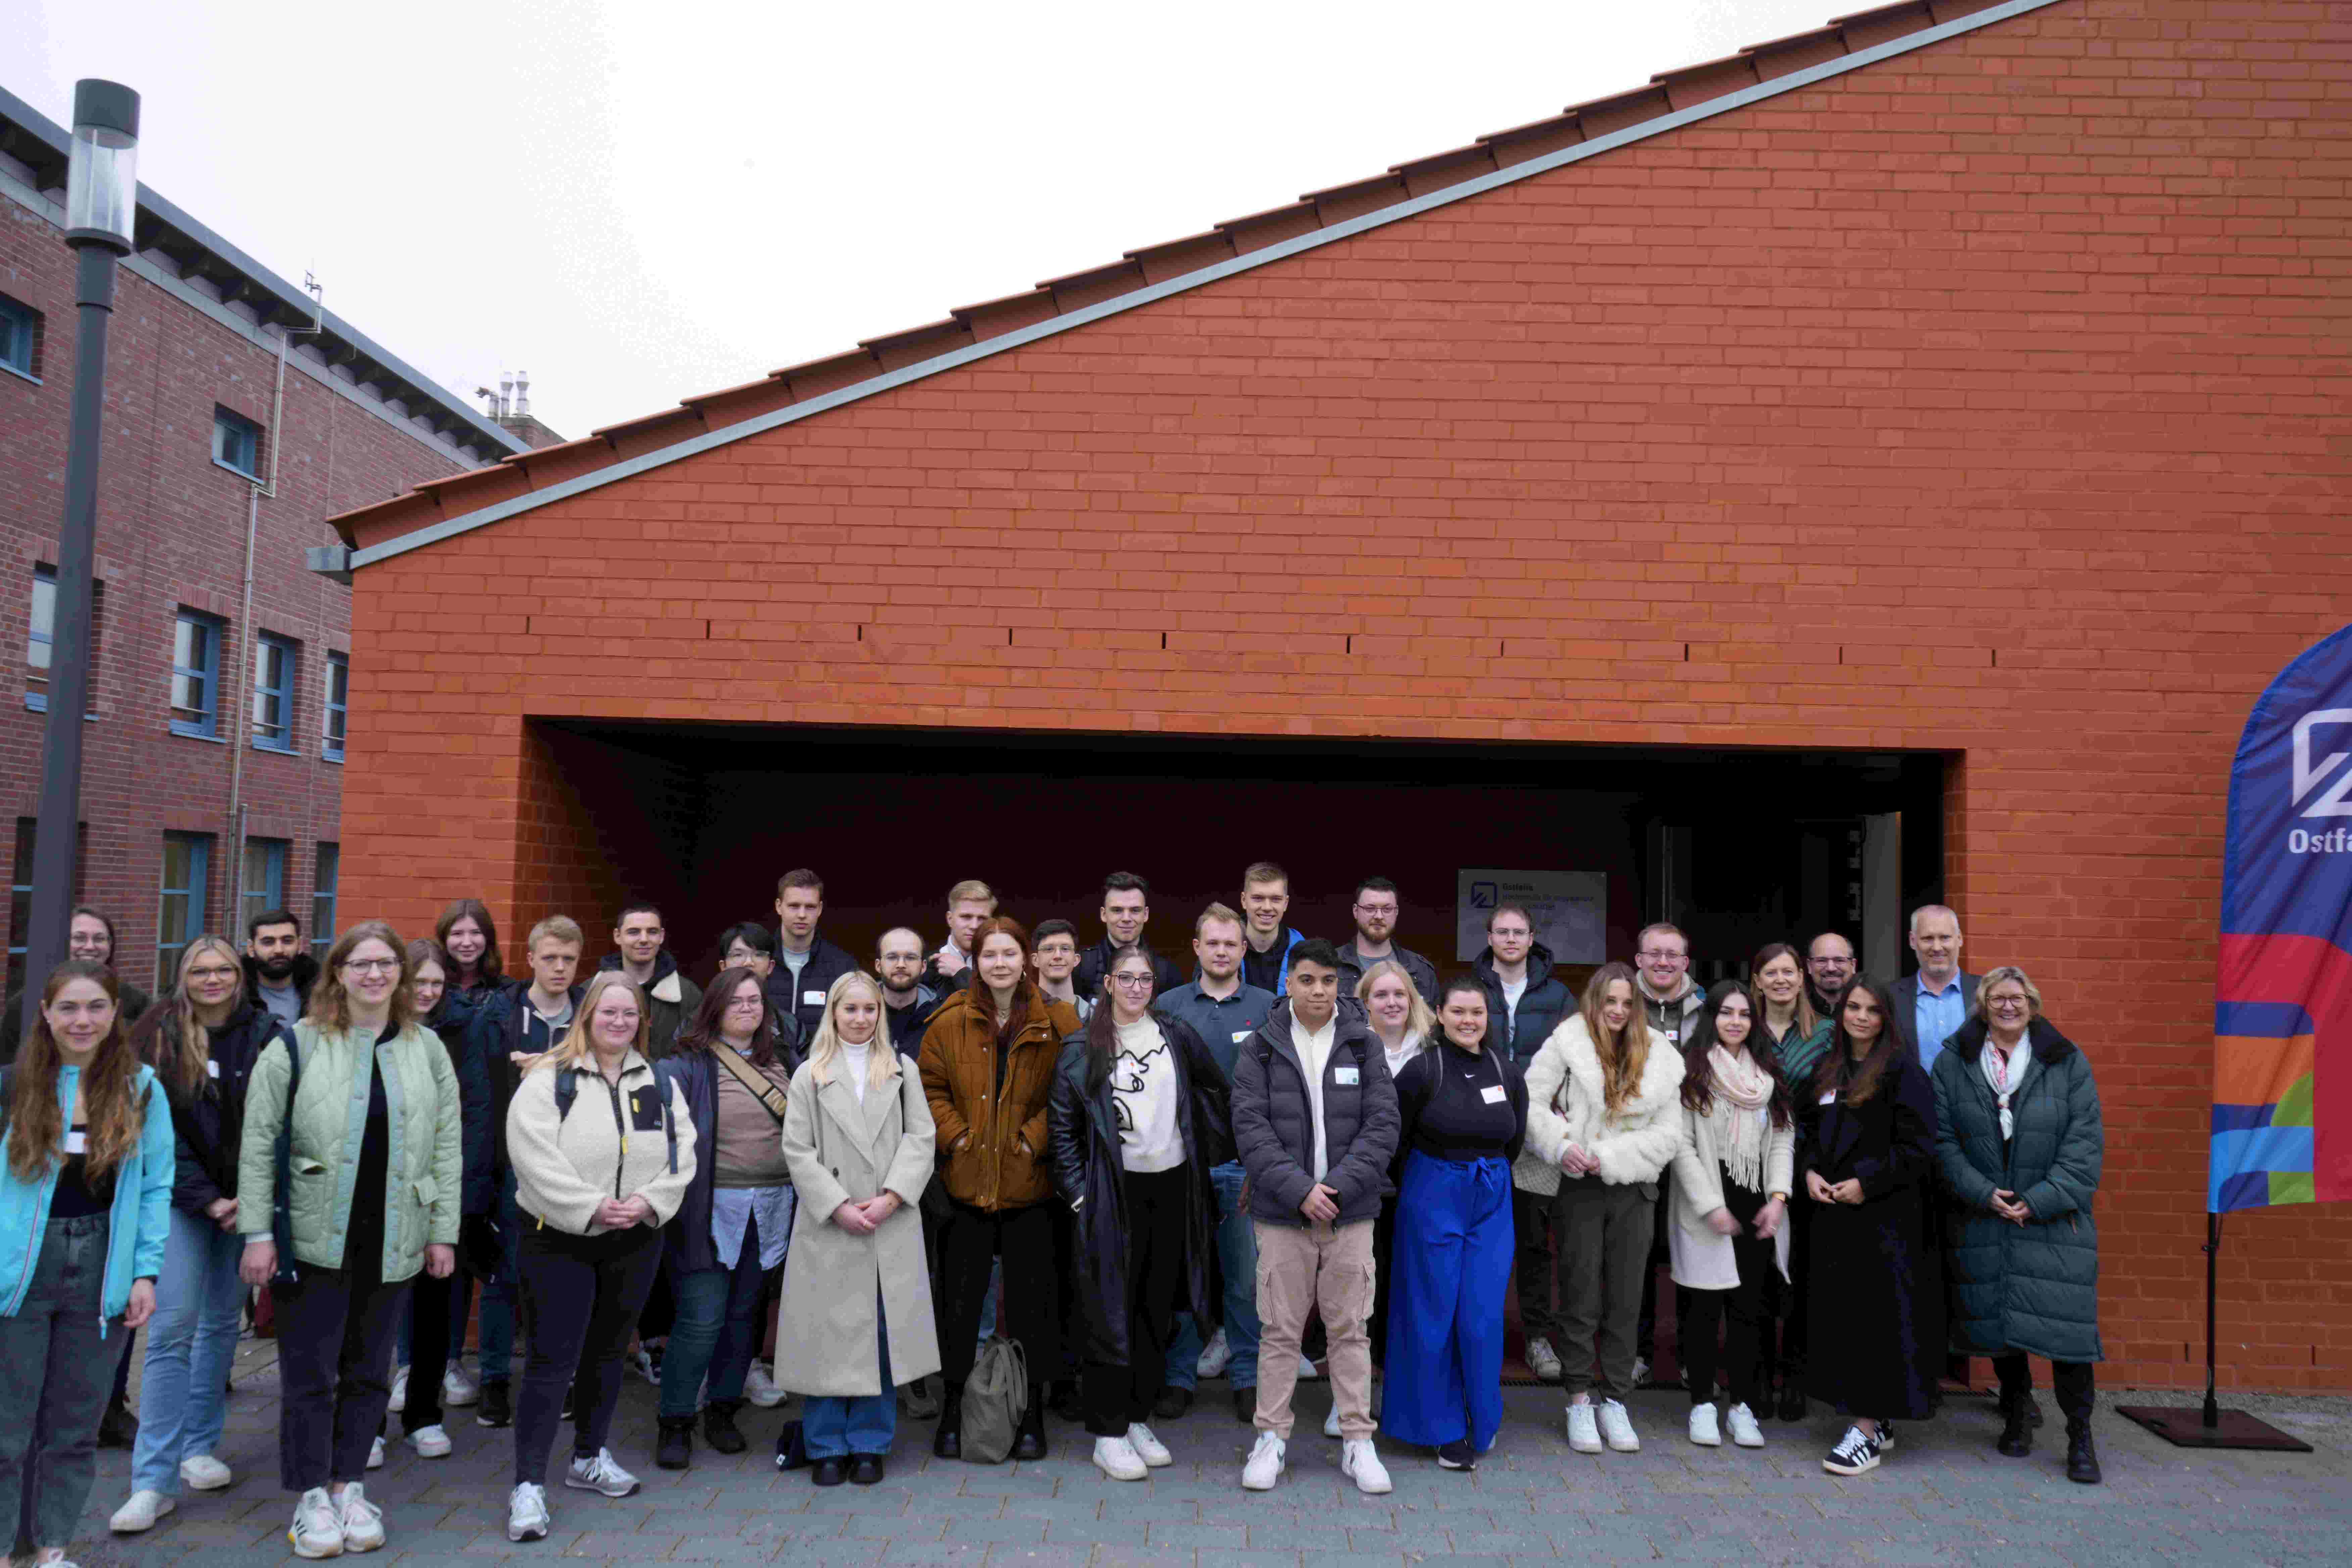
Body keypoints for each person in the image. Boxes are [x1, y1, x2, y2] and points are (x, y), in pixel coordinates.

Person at [236, 922, 462, 1558]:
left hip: (396, 1235)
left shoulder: (427, 1049)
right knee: (311, 1374)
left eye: (386, 962)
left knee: (369, 1371)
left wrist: (442, 1230)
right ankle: (309, 1495)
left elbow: (448, 1146)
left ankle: (349, 1483)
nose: (375, 974)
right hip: (313, 1239)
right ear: (337, 972)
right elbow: (258, 1146)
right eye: (360, 963)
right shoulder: (296, 1046)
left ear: (401, 973)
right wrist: (258, 1233)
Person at [501, 972, 696, 1542]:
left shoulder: (659, 1079)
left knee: (610, 1351)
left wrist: (647, 1202)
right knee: (550, 1360)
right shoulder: (547, 1080)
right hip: (559, 1236)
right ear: (586, 1016)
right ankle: (528, 1485)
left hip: (635, 1236)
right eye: (608, 1012)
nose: (618, 1022)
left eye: (629, 1014)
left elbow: (682, 1152)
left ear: (642, 1022)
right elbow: (532, 1157)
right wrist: (590, 1206)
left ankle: (588, 1456)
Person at [113, 936, 289, 1532]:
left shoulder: (266, 1033)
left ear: (239, 976)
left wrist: (250, 1199)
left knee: (220, 1323)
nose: (212, 979)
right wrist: (210, 1200)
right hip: (181, 1203)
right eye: (200, 970)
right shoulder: (157, 1036)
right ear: (182, 976)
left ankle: (199, 1445)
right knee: (170, 1331)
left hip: (247, 1203)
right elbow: (152, 1135)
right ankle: (152, 1481)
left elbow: (275, 1122)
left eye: (223, 970)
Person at [1, 960, 170, 1568]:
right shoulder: (9, 1086)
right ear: (45, 1014)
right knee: (7, 1429)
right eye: (68, 1007)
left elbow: (155, 1186)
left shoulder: (142, 1088)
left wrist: (146, 1272)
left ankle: (50, 1549)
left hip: (101, 1268)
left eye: (96, 1006)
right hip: (18, 1270)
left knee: (72, 1430)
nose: (83, 1019)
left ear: (113, 1016)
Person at [1048, 944, 1232, 1480]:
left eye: (1145, 979)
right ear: (1107, 983)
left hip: (1172, 1187)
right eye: (1125, 978)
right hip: (1113, 1192)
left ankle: (1135, 1417)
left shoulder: (1174, 1034)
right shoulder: (1083, 1046)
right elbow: (1062, 1131)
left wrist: (1204, 1160)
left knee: (1155, 1309)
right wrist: (1083, 1196)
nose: (1135, 987)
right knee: (1112, 1312)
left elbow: (1215, 1092)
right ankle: (1108, 1432)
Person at [1229, 938, 1397, 1494]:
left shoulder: (1363, 1045)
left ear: (1338, 985)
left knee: (1350, 1331)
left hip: (1350, 1215)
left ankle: (1357, 1440)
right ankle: (1270, 1438)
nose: (1319, 990)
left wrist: (1338, 1188)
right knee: (1278, 1333)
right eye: (1307, 980)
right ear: (1288, 984)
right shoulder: (1259, 1048)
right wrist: (1301, 1190)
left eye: (1328, 980)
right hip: (1283, 1216)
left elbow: (1382, 1127)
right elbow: (1250, 1131)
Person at [1931, 967, 2104, 1484]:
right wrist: (1983, 1193)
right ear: (1982, 1006)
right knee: (2002, 1325)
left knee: (2069, 1338)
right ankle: (2017, 1412)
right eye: (1998, 998)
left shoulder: (2066, 1061)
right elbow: (1942, 1142)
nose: (2009, 1006)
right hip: (1987, 1217)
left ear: (2033, 1004)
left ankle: (2081, 1436)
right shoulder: (1954, 1062)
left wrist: (2039, 1200)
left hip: (2053, 1222)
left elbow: (2085, 1143)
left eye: (2019, 997)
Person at [918, 917, 1079, 1461]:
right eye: (990, 954)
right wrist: (958, 1135)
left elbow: (1069, 1092)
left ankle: (1031, 1413)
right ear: (975, 961)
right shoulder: (947, 1023)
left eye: (1010, 953)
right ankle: (953, 1410)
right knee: (960, 1308)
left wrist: (1033, 1141)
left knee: (1033, 1309)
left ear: (1027, 959)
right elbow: (929, 1087)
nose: (1001, 963)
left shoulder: (1058, 1022)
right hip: (965, 1188)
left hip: (1029, 1190)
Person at [774, 971, 940, 1485]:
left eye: (870, 1010)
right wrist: (838, 1204)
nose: (861, 1018)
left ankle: (871, 1442)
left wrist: (892, 1197)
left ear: (880, 1014)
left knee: (881, 1335)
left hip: (888, 1220)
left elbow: (922, 1138)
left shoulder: (900, 1069)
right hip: (832, 1224)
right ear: (834, 1014)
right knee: (829, 1336)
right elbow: (796, 1150)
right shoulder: (810, 1074)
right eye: (851, 1010)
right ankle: (825, 1443)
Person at [1519, 961, 1683, 1457]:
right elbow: (1530, 1102)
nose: (1616, 1010)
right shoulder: (1566, 1043)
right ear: (1594, 1002)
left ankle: (1615, 1399)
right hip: (1577, 1187)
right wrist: (1560, 1144)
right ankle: (1578, 1399)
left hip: (1633, 1188)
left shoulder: (1660, 1055)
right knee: (1580, 1293)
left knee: (1627, 1299)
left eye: (1625, 1003)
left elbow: (1670, 1134)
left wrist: (1609, 1156)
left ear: (1636, 1008)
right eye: (1608, 1001)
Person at [652, 967, 796, 1469]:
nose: (748, 1009)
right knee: (702, 1317)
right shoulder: (687, 1064)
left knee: (743, 1316)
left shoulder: (782, 1060)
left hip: (773, 1208)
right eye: (737, 1002)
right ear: (715, 1007)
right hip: (708, 1210)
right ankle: (675, 1420)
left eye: (756, 1001)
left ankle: (722, 1410)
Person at [1383, 976, 1525, 1474]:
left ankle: (1480, 1418)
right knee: (1433, 1313)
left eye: (1478, 1013)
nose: (1469, 1021)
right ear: (1440, 1014)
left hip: (1491, 1197)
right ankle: (1441, 1429)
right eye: (1459, 1012)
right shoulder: (1423, 1070)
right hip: (1432, 1194)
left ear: (1490, 1018)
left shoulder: (1506, 1072)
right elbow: (1394, 1144)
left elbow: (1515, 1140)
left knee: (1481, 1316)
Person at [1802, 978, 1943, 1477]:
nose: (1861, 1017)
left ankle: (1864, 1431)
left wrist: (1867, 1182)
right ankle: (1876, 1419)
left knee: (1880, 1324)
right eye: (1853, 1008)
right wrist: (1811, 1173)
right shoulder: (1829, 1067)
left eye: (1872, 1010)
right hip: (1834, 1218)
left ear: (1888, 1018)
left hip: (1887, 1220)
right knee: (1850, 1321)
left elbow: (1920, 1147)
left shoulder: (1904, 1072)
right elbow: (1806, 1131)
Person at [467, 916, 587, 1431]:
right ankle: (494, 1381)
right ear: (532, 958)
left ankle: (555, 1380)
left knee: (560, 1280)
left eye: (569, 960)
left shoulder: (592, 1014)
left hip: (576, 1165)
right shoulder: (499, 1016)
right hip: (510, 1165)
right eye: (551, 958)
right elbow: (477, 1096)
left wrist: (560, 1065)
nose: (560, 968)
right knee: (503, 1276)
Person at [1667, 982, 1793, 1451]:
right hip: (1706, 1206)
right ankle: (1702, 1404)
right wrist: (1711, 1206)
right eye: (1726, 1013)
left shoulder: (1769, 1075)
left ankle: (1741, 1407)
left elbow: (1782, 1138)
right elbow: (1679, 1144)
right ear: (1711, 1019)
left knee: (1749, 1313)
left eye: (1744, 1014)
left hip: (1757, 1206)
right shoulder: (1691, 1071)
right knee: (1702, 1311)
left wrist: (1778, 1199)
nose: (1736, 1022)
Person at [384, 940, 492, 1461]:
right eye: (418, 982)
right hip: (375, 1194)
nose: (426, 992)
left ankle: (423, 1416)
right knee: (371, 1317)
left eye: (436, 984)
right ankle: (366, 1425)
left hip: (431, 1191)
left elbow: (460, 1124)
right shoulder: (372, 1034)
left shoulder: (446, 1041)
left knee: (433, 1306)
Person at [1479, 903, 1574, 1381]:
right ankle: (1480, 1337)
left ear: (1532, 937)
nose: (1511, 939)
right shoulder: (1472, 990)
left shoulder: (1558, 996)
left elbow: (1576, 1058)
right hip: (1480, 1133)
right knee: (1479, 1242)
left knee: (1535, 1242)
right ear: (1490, 936)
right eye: (1503, 932)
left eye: (1520, 932)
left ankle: (1538, 1338)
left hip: (1536, 1138)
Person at [1750, 941, 1831, 1423]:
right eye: (1771, 973)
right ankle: (1759, 1375)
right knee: (1758, 1274)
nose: (1781, 980)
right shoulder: (1742, 1028)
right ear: (1757, 980)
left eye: (1789, 972)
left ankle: (1796, 1377)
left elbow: (1830, 1107)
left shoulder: (1824, 1035)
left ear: (1802, 978)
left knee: (1801, 1274)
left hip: (1806, 1166)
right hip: (1749, 1165)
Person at [1355, 960, 1431, 1399]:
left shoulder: (1433, 1048)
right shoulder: (1352, 1048)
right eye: (1381, 995)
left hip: (1421, 1181)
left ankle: (1404, 1388)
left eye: (1399, 994)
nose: (1392, 1002)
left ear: (1413, 1000)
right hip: (1367, 1181)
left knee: (1412, 1284)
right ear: (1366, 1003)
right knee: (1366, 1284)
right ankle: (1357, 1389)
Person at [1, 906, 152, 1062]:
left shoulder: (137, 1002)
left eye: (99, 939)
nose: (90, 946)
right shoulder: (24, 1004)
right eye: (79, 938)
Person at [767, 869, 857, 1044]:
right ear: (779, 906)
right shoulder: (759, 961)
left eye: (810, 907)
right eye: (794, 906)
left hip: (821, 1067)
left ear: (820, 909)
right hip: (765, 1067)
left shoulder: (843, 966)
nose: (802, 915)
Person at [599, 902, 702, 1054]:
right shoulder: (592, 991)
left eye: (652, 932)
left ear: (661, 936)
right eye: (634, 932)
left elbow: (696, 1055)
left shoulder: (689, 994)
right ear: (617, 936)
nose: (644, 939)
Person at [1893, 905, 1980, 1074]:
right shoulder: (1891, 997)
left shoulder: (1985, 992)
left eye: (1945, 938)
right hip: (1912, 1100)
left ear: (1960, 939)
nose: (1937, 947)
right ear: (1913, 941)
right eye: (1928, 938)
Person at [1072, 874, 1186, 997]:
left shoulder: (1167, 973)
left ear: (1146, 914)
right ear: (1104, 914)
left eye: (1135, 910)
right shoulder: (1080, 967)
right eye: (1117, 910)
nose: (1126, 919)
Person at [1336, 878, 1438, 1005]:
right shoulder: (1332, 964)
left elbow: (1432, 1023)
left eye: (1387, 909)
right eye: (1370, 908)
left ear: (1396, 912)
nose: (1379, 916)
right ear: (1356, 911)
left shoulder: (1421, 970)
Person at [1237, 863, 1308, 997]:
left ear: (1286, 903)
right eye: (1258, 898)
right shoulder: (1221, 946)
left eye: (1276, 899)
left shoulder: (1302, 950)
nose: (1267, 907)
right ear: (1244, 900)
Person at [243, 908, 318, 1030]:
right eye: (268, 942)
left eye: (287, 941)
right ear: (251, 949)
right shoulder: (233, 996)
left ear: (300, 945)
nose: (279, 950)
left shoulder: (325, 993)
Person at [876, 927, 943, 1058]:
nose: (901, 965)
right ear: (878, 966)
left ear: (924, 967)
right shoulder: (860, 1013)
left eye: (911, 958)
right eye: (892, 957)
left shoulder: (940, 1016)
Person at [921, 880, 998, 991]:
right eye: (966, 917)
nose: (974, 926)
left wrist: (960, 972)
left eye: (982, 919)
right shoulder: (925, 966)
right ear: (950, 919)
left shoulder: (1002, 965)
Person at [435, 899, 510, 1006]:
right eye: (457, 934)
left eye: (476, 933)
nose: (467, 943)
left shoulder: (507, 991)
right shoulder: (431, 988)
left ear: (488, 938)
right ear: (444, 939)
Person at [1032, 919, 1094, 1024]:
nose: (1058, 956)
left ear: (1076, 960)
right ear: (1035, 960)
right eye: (1049, 949)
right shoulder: (1020, 1014)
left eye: (1065, 949)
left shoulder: (1096, 1017)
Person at [1804, 932, 1856, 1022]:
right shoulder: (1795, 1009)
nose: (1831, 968)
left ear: (1853, 965)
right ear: (1809, 966)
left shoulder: (1867, 1008)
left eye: (1839, 960)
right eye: (1822, 961)